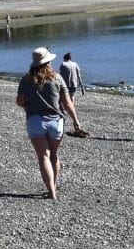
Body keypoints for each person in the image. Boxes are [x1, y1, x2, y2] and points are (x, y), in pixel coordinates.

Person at [15, 47, 83, 200]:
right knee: (54, 155)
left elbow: (19, 101)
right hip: (56, 122)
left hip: (35, 121)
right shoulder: (57, 78)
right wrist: (76, 121)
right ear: (48, 63)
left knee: (43, 157)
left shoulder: (26, 79)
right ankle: (55, 183)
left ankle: (51, 192)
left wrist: (28, 105)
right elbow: (67, 103)